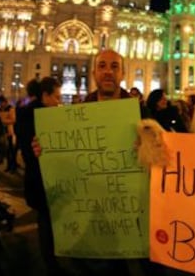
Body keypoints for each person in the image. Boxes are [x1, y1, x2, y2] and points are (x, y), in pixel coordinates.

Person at [33, 49, 156, 275]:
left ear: (122, 73)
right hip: (96, 216)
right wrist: (45, 150)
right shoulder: (78, 113)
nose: (108, 72)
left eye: (114, 66)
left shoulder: (142, 113)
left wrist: (149, 149)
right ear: (93, 73)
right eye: (102, 66)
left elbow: (161, 158)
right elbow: (67, 158)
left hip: (134, 212)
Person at [17, 76, 65, 276]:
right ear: (45, 95)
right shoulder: (38, 118)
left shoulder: (29, 114)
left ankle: (52, 260)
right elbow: (31, 152)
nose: (58, 102)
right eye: (56, 97)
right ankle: (51, 265)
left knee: (48, 221)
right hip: (41, 180)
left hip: (40, 180)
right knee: (46, 224)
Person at [0, 95, 17, 173]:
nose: (1, 104)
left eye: (2, 103)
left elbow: (13, 120)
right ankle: (8, 166)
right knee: (6, 151)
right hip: (2, 132)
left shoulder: (10, 108)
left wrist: (3, 121)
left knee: (11, 151)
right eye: (0, 103)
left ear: (5, 102)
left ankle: (13, 167)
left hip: (9, 132)